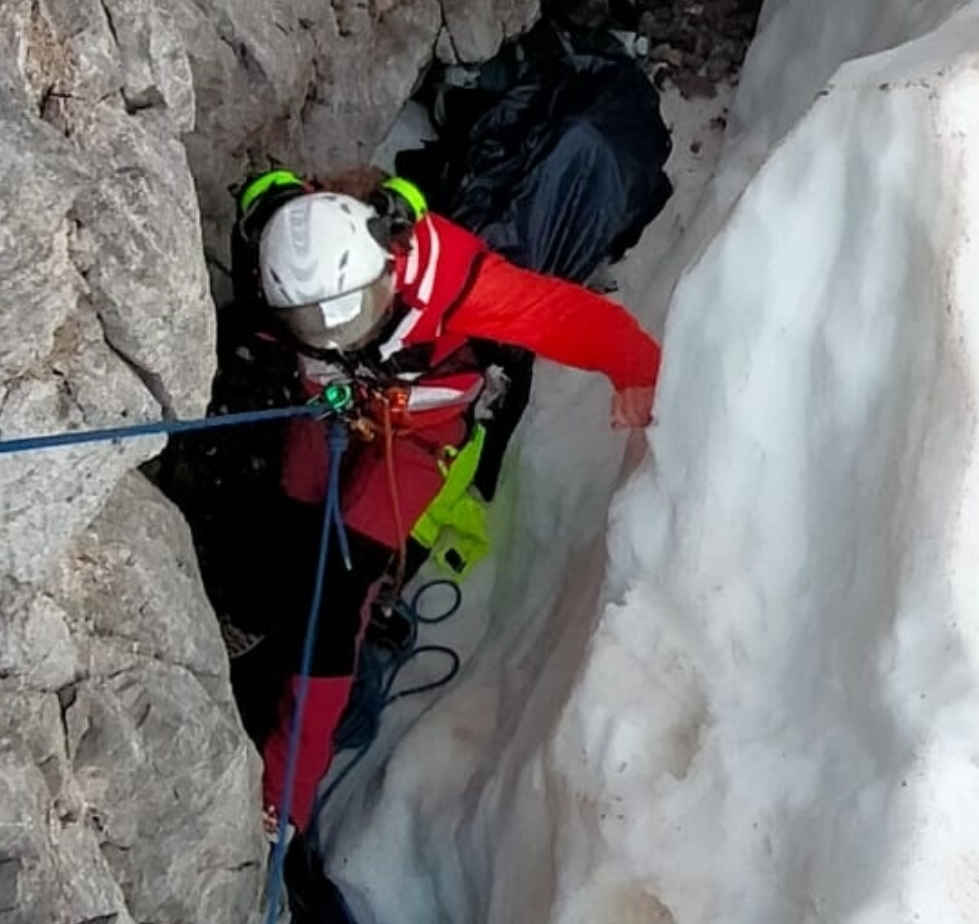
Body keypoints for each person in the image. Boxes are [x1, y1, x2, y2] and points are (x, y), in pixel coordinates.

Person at [230, 165, 661, 837]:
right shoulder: (283, 251)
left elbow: (561, 316)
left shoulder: (446, 276)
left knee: (340, 590)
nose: (343, 335)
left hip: (417, 434)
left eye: (361, 315)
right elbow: (269, 189)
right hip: (332, 413)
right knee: (291, 546)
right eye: (317, 326)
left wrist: (638, 368)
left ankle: (287, 793)